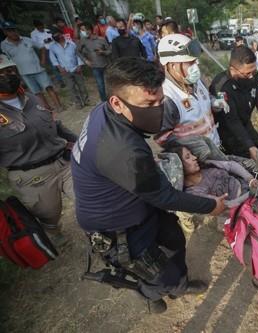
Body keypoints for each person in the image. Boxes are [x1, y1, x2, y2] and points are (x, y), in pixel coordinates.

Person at [71, 57, 226, 313]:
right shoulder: (123, 151)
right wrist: (211, 206)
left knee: (173, 239)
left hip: (135, 201)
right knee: (155, 271)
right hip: (117, 225)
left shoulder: (106, 113)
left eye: (160, 101)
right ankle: (155, 291)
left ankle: (177, 283)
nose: (158, 109)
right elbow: (165, 196)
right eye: (148, 104)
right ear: (117, 103)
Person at [0, 54, 76, 247]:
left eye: (10, 71)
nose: (6, 76)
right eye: (0, 73)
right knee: (48, 214)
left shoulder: (33, 98)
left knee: (91, 197)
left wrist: (79, 142)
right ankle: (52, 230)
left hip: (64, 162)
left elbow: (55, 125)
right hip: (31, 176)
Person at [156, 34, 226, 161]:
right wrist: (195, 145)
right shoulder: (167, 98)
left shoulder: (196, 81)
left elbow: (206, 98)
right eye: (191, 63)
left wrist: (215, 103)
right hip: (198, 160)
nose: (196, 66)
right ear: (172, 66)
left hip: (215, 149)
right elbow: (163, 138)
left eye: (196, 61)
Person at [209, 46, 258, 160]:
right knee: (248, 165)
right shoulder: (222, 86)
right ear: (233, 69)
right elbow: (232, 120)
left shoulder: (255, 77)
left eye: (253, 71)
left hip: (246, 125)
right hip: (228, 135)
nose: (251, 76)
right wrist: (250, 146)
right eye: (247, 73)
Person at [1, 21, 62, 111]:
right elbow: (8, 60)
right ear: (5, 32)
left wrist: (43, 60)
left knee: (49, 87)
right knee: (36, 92)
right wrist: (15, 74)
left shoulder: (26, 39)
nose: (13, 32)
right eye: (10, 31)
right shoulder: (4, 45)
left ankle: (59, 106)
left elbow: (42, 47)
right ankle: (47, 108)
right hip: (23, 73)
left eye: (14, 30)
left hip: (38, 69)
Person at [169, 145, 254, 205]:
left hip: (247, 187)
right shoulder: (194, 192)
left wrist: (250, 179)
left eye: (191, 154)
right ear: (179, 167)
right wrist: (251, 194)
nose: (194, 157)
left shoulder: (206, 165)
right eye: (188, 157)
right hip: (241, 207)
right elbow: (226, 205)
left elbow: (230, 165)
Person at [49, 31, 89, 108]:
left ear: (61, 35)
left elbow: (78, 55)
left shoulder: (71, 43)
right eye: (55, 37)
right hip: (65, 70)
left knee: (81, 85)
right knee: (71, 88)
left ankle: (86, 101)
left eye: (58, 35)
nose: (57, 38)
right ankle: (78, 103)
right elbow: (53, 59)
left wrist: (79, 65)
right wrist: (59, 68)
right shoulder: (52, 47)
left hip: (76, 68)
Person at [77, 22, 111, 102]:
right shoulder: (83, 41)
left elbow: (110, 51)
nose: (86, 32)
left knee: (109, 83)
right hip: (95, 67)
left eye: (87, 30)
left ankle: (112, 98)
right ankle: (104, 101)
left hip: (106, 65)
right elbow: (77, 51)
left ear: (91, 30)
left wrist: (103, 52)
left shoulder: (101, 39)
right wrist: (85, 60)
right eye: (84, 30)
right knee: (100, 85)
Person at [30, 20, 65, 88]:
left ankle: (66, 75)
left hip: (54, 47)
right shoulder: (33, 33)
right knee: (54, 66)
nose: (41, 29)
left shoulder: (47, 30)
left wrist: (52, 39)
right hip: (46, 50)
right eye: (40, 28)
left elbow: (54, 37)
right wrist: (44, 41)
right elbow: (35, 44)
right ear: (36, 27)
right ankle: (60, 80)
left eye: (42, 27)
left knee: (61, 62)